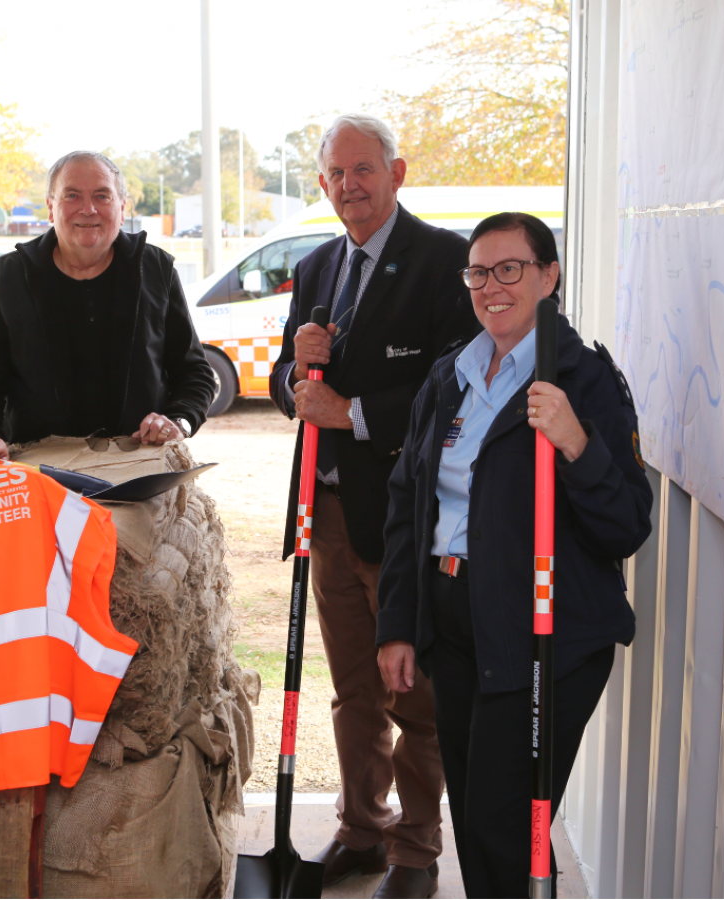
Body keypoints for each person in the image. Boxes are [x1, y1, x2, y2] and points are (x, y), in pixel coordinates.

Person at [376, 213, 653, 898]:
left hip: (544, 639)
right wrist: (400, 624)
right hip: (459, 629)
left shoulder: (584, 382)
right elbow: (410, 505)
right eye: (478, 272)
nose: (491, 286)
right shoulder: (450, 376)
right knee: (478, 818)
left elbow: (626, 526)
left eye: (511, 269)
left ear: (549, 277)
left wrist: (575, 443)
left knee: (505, 822)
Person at [269, 114, 481, 900]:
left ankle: (417, 851)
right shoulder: (318, 264)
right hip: (324, 515)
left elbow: (455, 385)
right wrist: (298, 375)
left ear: (398, 173)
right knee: (353, 684)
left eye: (363, 170)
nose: (349, 186)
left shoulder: (445, 261)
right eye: (335, 174)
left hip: (401, 519)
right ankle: (362, 830)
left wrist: (352, 412)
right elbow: (285, 388)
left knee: (412, 686)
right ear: (322, 184)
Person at [0, 151, 215, 462]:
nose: (88, 209)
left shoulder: (156, 269)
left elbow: (195, 372)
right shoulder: (9, 276)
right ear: (51, 207)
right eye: (72, 195)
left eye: (102, 196)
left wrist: (179, 421)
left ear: (122, 206)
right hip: (37, 462)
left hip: (138, 460)